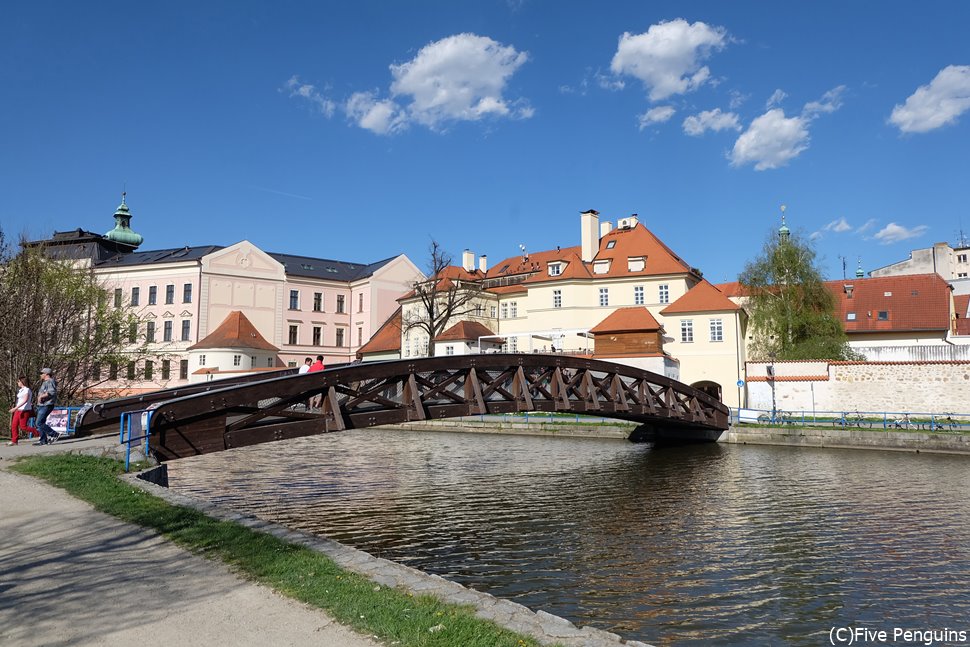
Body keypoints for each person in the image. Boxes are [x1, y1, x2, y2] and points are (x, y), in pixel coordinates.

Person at [8, 376, 36, 446]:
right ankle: (14, 440)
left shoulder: (27, 390)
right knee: (14, 425)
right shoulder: (21, 390)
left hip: (24, 410)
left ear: (22, 382)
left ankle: (40, 433)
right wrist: (16, 408)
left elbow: (25, 400)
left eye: (19, 381)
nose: (17, 382)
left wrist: (15, 408)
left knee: (23, 427)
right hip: (18, 410)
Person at [33, 367, 58, 446]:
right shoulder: (45, 382)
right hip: (42, 405)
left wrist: (41, 397)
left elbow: (52, 392)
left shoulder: (50, 381)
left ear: (46, 374)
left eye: (42, 373)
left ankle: (54, 434)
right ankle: (43, 440)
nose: (40, 375)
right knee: (41, 423)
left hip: (47, 405)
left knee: (39, 423)